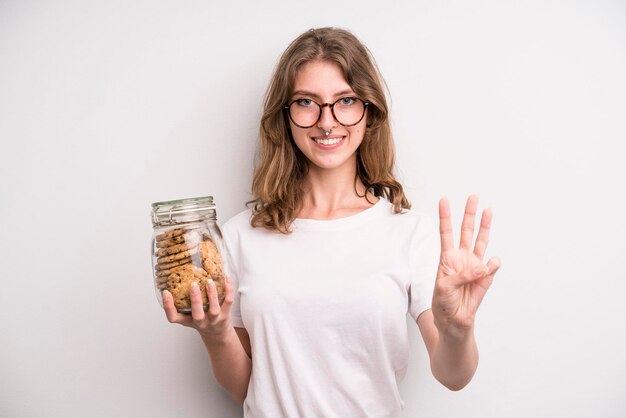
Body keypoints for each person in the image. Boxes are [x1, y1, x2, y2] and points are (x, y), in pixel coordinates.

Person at [162, 27, 501, 417]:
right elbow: (245, 386)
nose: (327, 122)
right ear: (284, 116)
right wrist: (215, 332)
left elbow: (453, 375)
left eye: (346, 101)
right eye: (307, 102)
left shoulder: (409, 233)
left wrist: (458, 331)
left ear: (369, 112)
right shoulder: (239, 236)